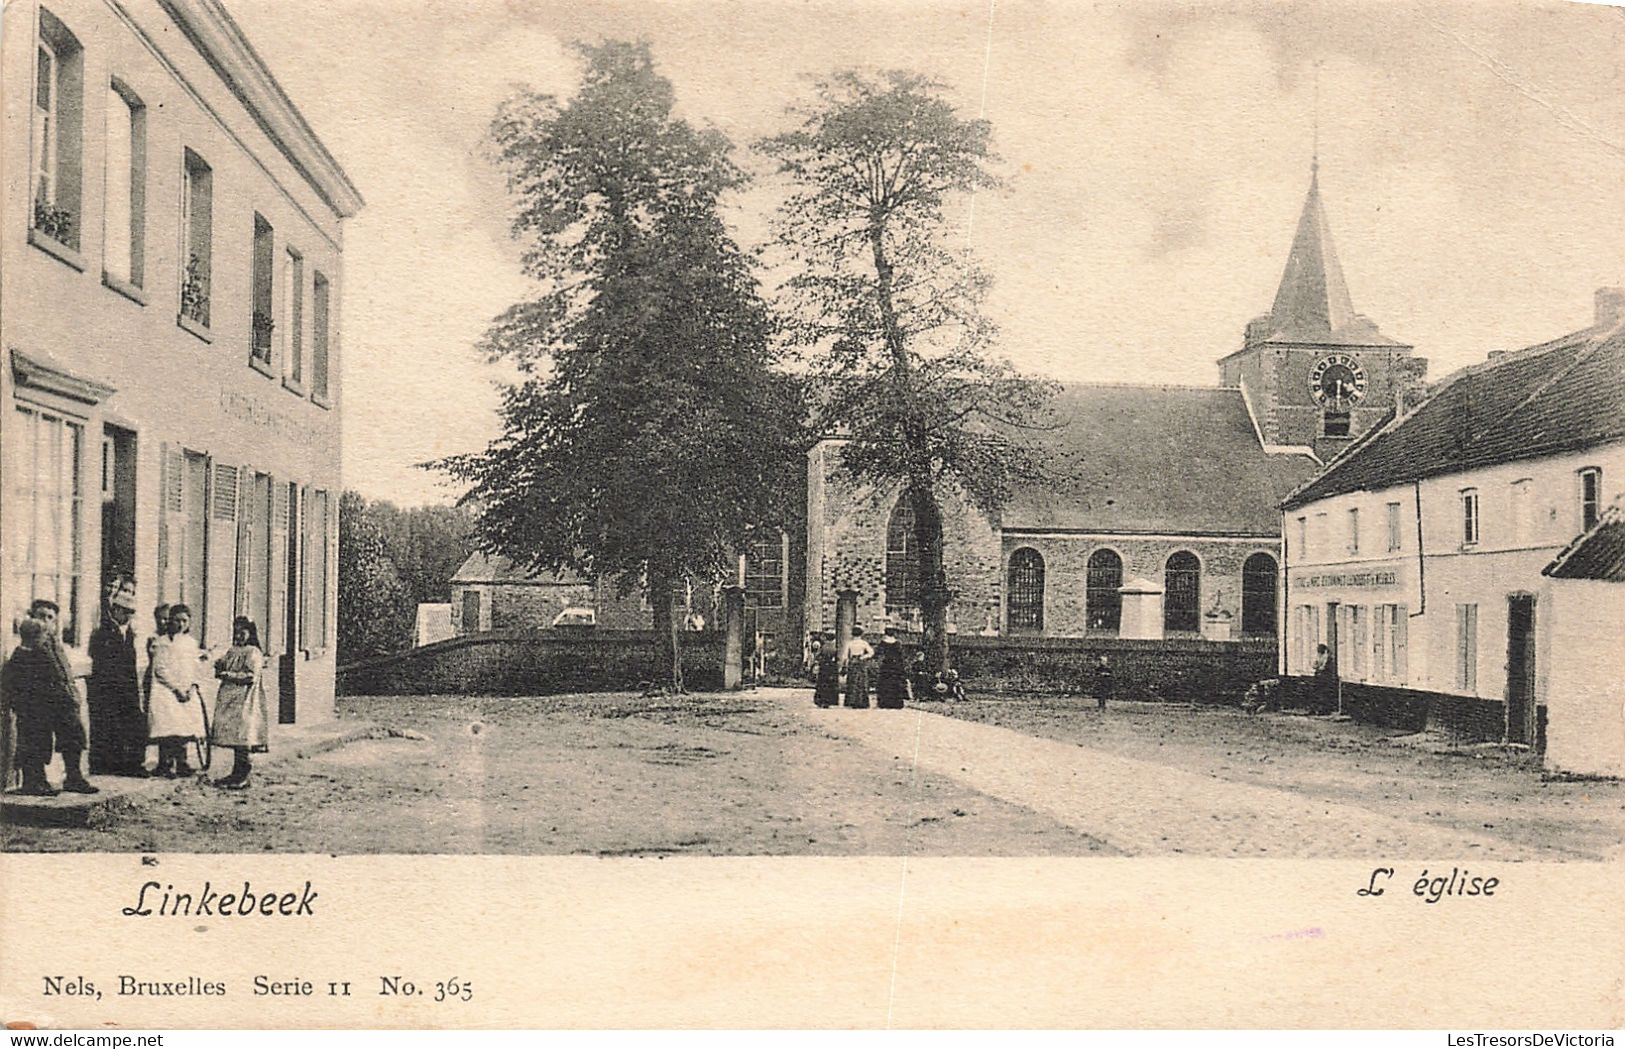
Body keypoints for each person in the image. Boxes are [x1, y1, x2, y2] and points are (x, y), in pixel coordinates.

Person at [6, 605, 97, 795]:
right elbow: (16, 677)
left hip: (63, 700)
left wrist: (72, 695)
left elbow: (64, 671)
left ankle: (74, 777)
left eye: (50, 617)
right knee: (36, 741)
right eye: (41, 616)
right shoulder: (29, 646)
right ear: (32, 618)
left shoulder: (56, 645)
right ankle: (34, 781)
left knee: (74, 736)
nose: (46, 621)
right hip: (40, 704)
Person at [88, 588, 149, 776]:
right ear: (115, 610)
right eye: (124, 611)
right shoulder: (102, 633)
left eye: (131, 612)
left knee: (133, 723)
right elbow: (101, 664)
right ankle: (104, 764)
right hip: (107, 689)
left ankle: (131, 764)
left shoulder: (129, 634)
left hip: (127, 688)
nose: (128, 616)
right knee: (107, 726)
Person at [148, 604, 206, 778]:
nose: (180, 625)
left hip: (186, 690)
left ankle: (182, 762)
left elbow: (196, 667)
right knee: (168, 726)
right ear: (170, 621)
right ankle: (165, 763)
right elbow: (160, 669)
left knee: (184, 726)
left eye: (184, 621)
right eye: (176, 621)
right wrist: (176, 688)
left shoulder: (191, 643)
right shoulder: (162, 642)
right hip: (166, 689)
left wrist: (192, 686)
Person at [210, 617, 269, 789]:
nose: (239, 636)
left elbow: (250, 676)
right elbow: (224, 665)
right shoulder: (233, 650)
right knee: (235, 737)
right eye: (236, 632)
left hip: (245, 699)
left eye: (242, 632)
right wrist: (219, 666)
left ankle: (243, 774)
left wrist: (228, 675)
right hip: (230, 700)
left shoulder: (253, 652)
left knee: (243, 736)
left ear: (250, 633)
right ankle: (236, 773)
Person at [874, 627, 909, 709]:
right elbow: (901, 656)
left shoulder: (883, 643)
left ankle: (884, 702)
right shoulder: (898, 643)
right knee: (896, 683)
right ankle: (896, 703)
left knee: (885, 683)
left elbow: (877, 654)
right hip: (896, 666)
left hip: (887, 665)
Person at [844, 625, 873, 709]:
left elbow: (845, 655)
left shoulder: (850, 643)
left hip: (853, 662)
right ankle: (861, 702)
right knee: (861, 682)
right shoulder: (864, 643)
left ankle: (852, 701)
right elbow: (871, 653)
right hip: (861, 662)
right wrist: (863, 657)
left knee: (852, 681)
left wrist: (845, 664)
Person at [812, 632, 841, 708]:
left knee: (822, 683)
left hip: (824, 667)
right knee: (831, 684)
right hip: (832, 667)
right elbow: (837, 658)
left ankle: (821, 700)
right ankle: (830, 701)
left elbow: (818, 657)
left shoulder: (823, 647)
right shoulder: (834, 647)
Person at [1312, 643, 1337, 713]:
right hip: (1318, 676)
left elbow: (1323, 667)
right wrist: (1318, 666)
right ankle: (1318, 709)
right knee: (1318, 693)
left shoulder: (1327, 657)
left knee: (1324, 693)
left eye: (1319, 650)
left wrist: (1318, 667)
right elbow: (1314, 665)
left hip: (1325, 677)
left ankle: (1324, 709)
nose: (1318, 652)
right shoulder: (1318, 657)